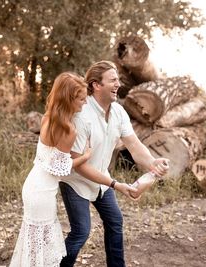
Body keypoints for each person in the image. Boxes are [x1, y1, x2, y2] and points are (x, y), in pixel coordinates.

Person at [9, 72, 137, 267]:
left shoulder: (47, 118)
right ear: (69, 99)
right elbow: (59, 168)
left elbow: (47, 160)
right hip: (43, 192)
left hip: (32, 184)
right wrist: (85, 156)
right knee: (44, 241)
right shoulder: (68, 130)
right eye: (81, 99)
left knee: (34, 240)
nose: (85, 103)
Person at [59, 61, 169, 267]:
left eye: (118, 79)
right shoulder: (81, 116)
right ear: (96, 85)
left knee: (115, 222)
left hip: (102, 180)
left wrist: (153, 162)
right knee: (81, 232)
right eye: (113, 80)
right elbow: (77, 164)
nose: (119, 83)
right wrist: (116, 185)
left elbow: (135, 145)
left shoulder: (118, 112)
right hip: (76, 182)